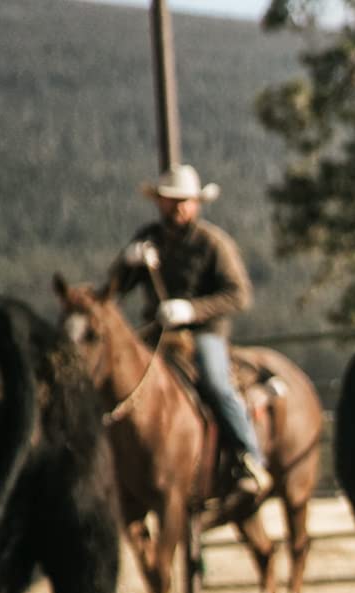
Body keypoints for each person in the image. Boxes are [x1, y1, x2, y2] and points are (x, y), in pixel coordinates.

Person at [109, 164, 268, 498]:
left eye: (184, 200)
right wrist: (126, 263)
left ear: (196, 203)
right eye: (170, 200)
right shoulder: (147, 239)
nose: (177, 206)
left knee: (215, 383)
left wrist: (192, 309)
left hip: (204, 333)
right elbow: (112, 291)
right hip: (157, 332)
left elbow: (238, 295)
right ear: (159, 203)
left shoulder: (213, 243)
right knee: (116, 378)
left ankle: (249, 456)